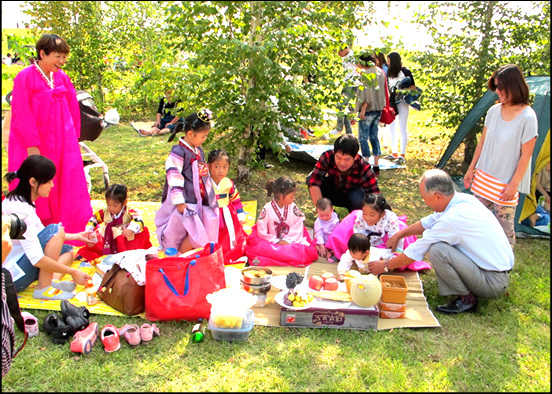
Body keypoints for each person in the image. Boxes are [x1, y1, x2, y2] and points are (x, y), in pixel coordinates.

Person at [369, 169, 514, 315]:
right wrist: (399, 235)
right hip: (496, 273)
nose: (424, 202)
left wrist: (386, 266)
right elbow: (428, 221)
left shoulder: (452, 219)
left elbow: (417, 250)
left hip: (491, 282)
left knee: (438, 250)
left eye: (424, 197)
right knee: (440, 247)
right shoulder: (461, 200)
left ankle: (466, 299)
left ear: (437, 196)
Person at [8, 34, 92, 237]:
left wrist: (74, 138)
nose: (61, 62)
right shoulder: (25, 77)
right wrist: (32, 144)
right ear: (42, 53)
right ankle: (38, 232)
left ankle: (70, 229)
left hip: (62, 140)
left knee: (64, 179)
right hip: (38, 141)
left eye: (64, 57)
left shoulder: (62, 77)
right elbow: (21, 112)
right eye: (57, 56)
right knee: (39, 179)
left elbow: (72, 106)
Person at [464, 64, 538, 247]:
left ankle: (504, 268)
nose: (497, 91)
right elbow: (482, 142)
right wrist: (470, 169)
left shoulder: (528, 117)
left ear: (513, 86)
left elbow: (526, 155)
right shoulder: (493, 112)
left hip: (505, 184)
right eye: (495, 87)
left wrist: (513, 185)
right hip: (483, 178)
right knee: (473, 221)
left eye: (500, 87)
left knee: (504, 231)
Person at [2, 155, 94, 300]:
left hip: (17, 265)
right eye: (49, 181)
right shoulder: (22, 212)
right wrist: (72, 272)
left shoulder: (17, 200)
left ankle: (52, 281)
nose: (52, 185)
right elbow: (36, 258)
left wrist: (77, 236)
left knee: (67, 249)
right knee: (55, 230)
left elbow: (40, 233)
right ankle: (43, 288)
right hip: (13, 278)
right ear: (33, 182)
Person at [154, 109, 219, 254]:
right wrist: (179, 201)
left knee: (200, 229)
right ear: (190, 134)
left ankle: (191, 255)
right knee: (181, 230)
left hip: (199, 199)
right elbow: (174, 176)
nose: (204, 140)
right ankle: (178, 256)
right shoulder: (178, 152)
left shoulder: (198, 150)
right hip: (185, 201)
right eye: (203, 136)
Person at [326, 193, 431, 272]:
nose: (367, 218)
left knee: (400, 243)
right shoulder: (360, 217)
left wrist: (393, 258)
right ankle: (339, 251)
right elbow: (357, 235)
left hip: (385, 242)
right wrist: (358, 250)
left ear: (382, 214)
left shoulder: (390, 220)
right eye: (365, 213)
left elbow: (396, 240)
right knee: (347, 228)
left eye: (372, 215)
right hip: (365, 242)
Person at [245, 176, 318, 267]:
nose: (293, 199)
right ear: (280, 195)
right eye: (291, 196)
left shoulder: (293, 207)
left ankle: (281, 255)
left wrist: (288, 240)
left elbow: (299, 223)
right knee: (262, 249)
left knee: (304, 251)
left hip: (290, 241)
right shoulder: (267, 208)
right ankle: (283, 256)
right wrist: (275, 241)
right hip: (271, 242)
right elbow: (261, 230)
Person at [76, 184, 152, 262]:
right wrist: (89, 231)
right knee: (94, 238)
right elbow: (93, 220)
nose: (111, 208)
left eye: (115, 206)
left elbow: (138, 220)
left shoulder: (128, 211)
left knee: (137, 238)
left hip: (123, 239)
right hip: (108, 237)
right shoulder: (105, 212)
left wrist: (131, 229)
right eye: (109, 205)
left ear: (124, 202)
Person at [306, 133, 379, 213]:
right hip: (333, 191)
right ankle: (327, 214)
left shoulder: (364, 167)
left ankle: (356, 218)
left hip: (353, 197)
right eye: (338, 157)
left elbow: (375, 196)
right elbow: (314, 182)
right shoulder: (327, 156)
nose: (342, 163)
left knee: (358, 197)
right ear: (334, 153)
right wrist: (321, 210)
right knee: (310, 178)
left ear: (355, 157)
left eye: (347, 159)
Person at [207, 149, 248, 264]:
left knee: (228, 235)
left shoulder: (229, 183)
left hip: (226, 214)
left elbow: (235, 199)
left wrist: (240, 215)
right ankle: (211, 251)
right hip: (210, 214)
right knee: (212, 235)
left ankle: (228, 250)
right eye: (217, 166)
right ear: (209, 166)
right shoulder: (205, 183)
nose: (221, 170)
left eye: (225, 167)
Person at [352, 51, 386, 177]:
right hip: (378, 108)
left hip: (369, 109)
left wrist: (363, 109)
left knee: (363, 137)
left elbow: (367, 93)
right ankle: (376, 165)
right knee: (374, 136)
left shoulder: (367, 74)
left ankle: (365, 165)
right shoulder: (380, 71)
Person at [383, 51, 418, 165]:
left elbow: (413, 87)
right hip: (392, 102)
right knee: (391, 126)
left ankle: (402, 154)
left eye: (389, 61)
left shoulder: (405, 71)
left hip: (402, 102)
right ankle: (394, 152)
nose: (388, 63)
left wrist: (402, 90)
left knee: (402, 127)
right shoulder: (389, 73)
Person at [329, 44, 360, 135]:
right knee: (344, 108)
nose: (338, 54)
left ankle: (339, 128)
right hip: (347, 83)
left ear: (345, 49)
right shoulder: (345, 58)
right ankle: (348, 131)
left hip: (353, 84)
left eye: (339, 52)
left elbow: (360, 67)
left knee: (343, 106)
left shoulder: (353, 57)